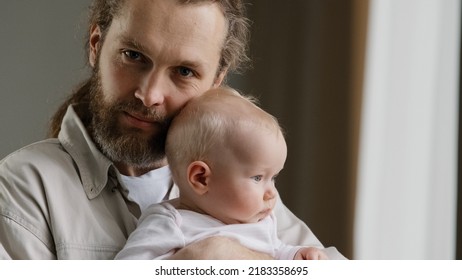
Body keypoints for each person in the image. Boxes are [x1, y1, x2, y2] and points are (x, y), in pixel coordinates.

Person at [0, 0, 345, 259]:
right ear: (96, 45)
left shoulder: (236, 185)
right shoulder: (25, 189)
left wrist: (226, 257)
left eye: (184, 72)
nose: (149, 94)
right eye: (133, 55)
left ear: (216, 82)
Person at [115, 87, 330, 260]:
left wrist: (296, 255)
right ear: (201, 178)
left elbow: (277, 249)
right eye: (257, 178)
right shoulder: (172, 222)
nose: (271, 193)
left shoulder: (263, 221)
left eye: (272, 178)